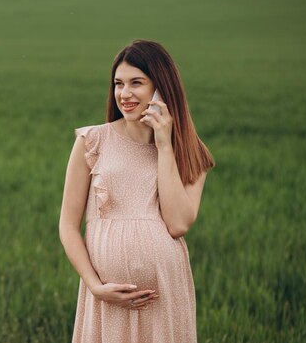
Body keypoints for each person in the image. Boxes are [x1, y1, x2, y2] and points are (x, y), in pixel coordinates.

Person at [59, 39, 215, 343]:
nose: (124, 94)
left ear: (161, 88)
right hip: (106, 298)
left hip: (163, 298)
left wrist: (165, 145)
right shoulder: (92, 142)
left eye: (136, 83)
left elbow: (178, 223)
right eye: (118, 84)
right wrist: (94, 286)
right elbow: (67, 224)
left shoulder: (191, 152)